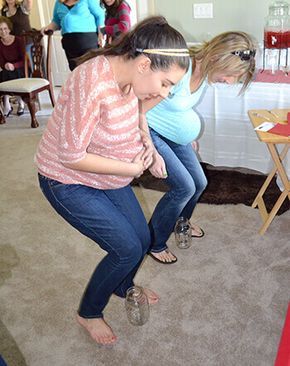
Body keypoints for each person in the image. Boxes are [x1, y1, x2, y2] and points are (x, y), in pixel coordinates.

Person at [35, 16, 189, 345]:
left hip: (106, 173)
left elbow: (139, 114)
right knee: (126, 247)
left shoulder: (135, 77)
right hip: (65, 179)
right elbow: (70, 156)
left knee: (142, 240)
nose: (167, 93)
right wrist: (131, 171)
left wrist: (151, 150)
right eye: (166, 83)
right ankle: (89, 312)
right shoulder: (90, 83)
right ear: (145, 64)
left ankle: (122, 285)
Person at [142, 31, 256, 264]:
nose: (231, 81)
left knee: (200, 183)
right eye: (232, 74)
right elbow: (139, 108)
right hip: (151, 131)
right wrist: (150, 150)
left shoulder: (204, 72)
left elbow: (178, 106)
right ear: (216, 58)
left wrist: (187, 132)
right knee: (183, 187)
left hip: (175, 135)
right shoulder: (179, 69)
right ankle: (155, 242)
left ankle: (181, 221)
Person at [41, 0, 105, 71]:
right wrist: (47, 28)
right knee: (75, 73)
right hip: (69, 44)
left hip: (88, 42)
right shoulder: (58, 3)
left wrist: (100, 33)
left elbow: (100, 15)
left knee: (91, 71)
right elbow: (56, 22)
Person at [0, 15, 25, 116]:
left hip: (20, 68)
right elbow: (1, 62)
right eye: (0, 29)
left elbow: (24, 60)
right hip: (7, 70)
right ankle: (7, 103)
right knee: (3, 74)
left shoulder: (18, 40)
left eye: (5, 28)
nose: (3, 31)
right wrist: (5, 65)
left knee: (12, 73)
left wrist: (14, 65)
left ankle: (19, 103)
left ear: (9, 29)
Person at [1, 0, 33, 67]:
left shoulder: (22, 7)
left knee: (30, 67)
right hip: (15, 45)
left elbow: (29, 2)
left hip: (27, 43)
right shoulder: (3, 11)